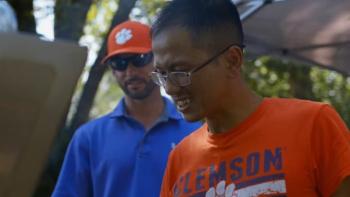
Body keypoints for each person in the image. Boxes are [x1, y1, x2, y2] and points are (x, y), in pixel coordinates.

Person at [150, 0, 350, 196]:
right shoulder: (180, 159)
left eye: (180, 71)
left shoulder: (313, 125)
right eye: (162, 74)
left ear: (232, 60)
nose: (170, 87)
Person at [52, 20, 201, 197]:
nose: (130, 72)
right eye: (119, 63)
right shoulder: (88, 138)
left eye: (138, 59)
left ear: (159, 61)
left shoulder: (194, 133)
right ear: (112, 71)